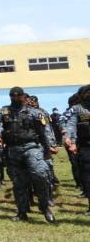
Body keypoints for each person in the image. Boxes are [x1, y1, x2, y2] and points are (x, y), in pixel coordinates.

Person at [0, 86, 56, 222]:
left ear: (24, 97)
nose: (15, 98)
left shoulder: (34, 112)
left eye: (18, 95)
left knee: (40, 175)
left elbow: (44, 131)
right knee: (19, 183)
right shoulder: (4, 111)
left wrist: (48, 149)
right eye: (12, 95)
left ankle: (45, 207)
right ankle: (22, 212)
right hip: (13, 150)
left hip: (32, 147)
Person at [64, 84, 90, 215]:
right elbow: (71, 125)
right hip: (85, 146)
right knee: (87, 177)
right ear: (82, 95)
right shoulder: (76, 109)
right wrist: (71, 141)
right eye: (87, 93)